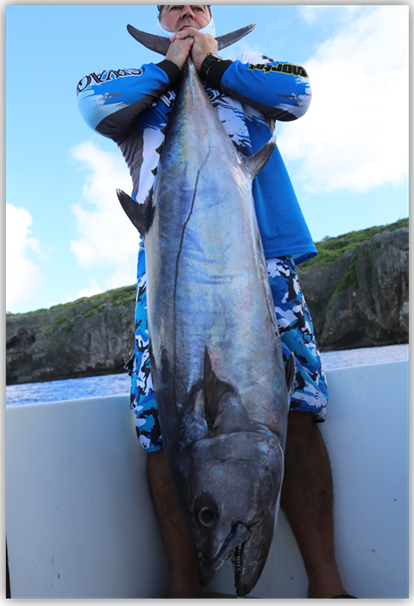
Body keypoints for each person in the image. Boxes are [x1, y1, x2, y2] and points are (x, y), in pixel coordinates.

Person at [77, 5, 354, 599]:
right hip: (171, 279)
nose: (184, 11)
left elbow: (298, 93)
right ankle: (187, 590)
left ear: (208, 13)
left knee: (297, 408)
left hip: (264, 259)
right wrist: (171, 69)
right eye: (171, 5)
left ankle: (327, 587)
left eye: (195, 4)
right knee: (163, 424)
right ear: (159, 17)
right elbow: (91, 104)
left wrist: (212, 65)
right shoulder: (140, 90)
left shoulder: (247, 71)